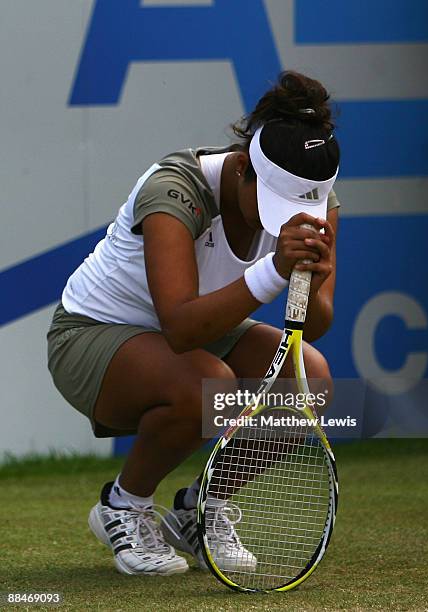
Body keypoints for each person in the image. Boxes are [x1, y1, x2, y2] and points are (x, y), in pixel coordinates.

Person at [47, 70, 340, 577]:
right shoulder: (174, 188)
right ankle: (124, 503)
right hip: (91, 334)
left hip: (202, 333)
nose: (288, 219)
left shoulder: (320, 199)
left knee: (309, 379)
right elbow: (180, 328)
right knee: (207, 385)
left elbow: (311, 327)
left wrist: (310, 283)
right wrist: (275, 270)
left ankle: (199, 509)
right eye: (277, 206)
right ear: (244, 167)